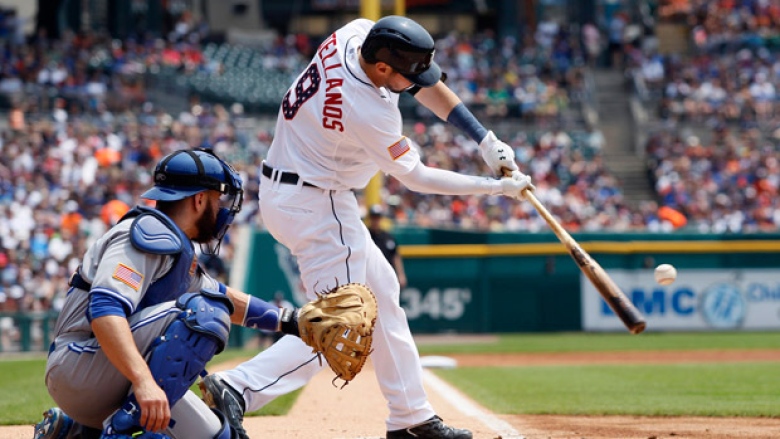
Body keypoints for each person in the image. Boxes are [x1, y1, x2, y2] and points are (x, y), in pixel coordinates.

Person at [199, 15, 533, 439]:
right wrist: (495, 188)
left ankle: (412, 419)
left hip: (298, 189)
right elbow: (417, 178)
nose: (415, 83)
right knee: (343, 325)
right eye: (405, 74)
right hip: (316, 203)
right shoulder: (367, 108)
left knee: (383, 295)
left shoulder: (356, 34)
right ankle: (236, 388)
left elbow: (424, 84)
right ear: (381, 68)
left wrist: (482, 137)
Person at [33, 149, 307, 439]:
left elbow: (226, 298)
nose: (221, 211)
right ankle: (118, 431)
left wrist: (292, 321)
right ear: (199, 199)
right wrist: (144, 382)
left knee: (223, 437)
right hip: (79, 367)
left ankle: (75, 432)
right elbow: (105, 310)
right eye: (217, 200)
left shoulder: (174, 246)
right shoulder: (145, 234)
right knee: (206, 314)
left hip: (107, 378)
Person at [367, 204, 407, 289]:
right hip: (370, 277)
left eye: (377, 217)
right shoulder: (365, 236)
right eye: (373, 217)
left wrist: (401, 274)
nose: (375, 220)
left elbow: (395, 256)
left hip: (387, 275)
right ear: (370, 218)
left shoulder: (388, 237)